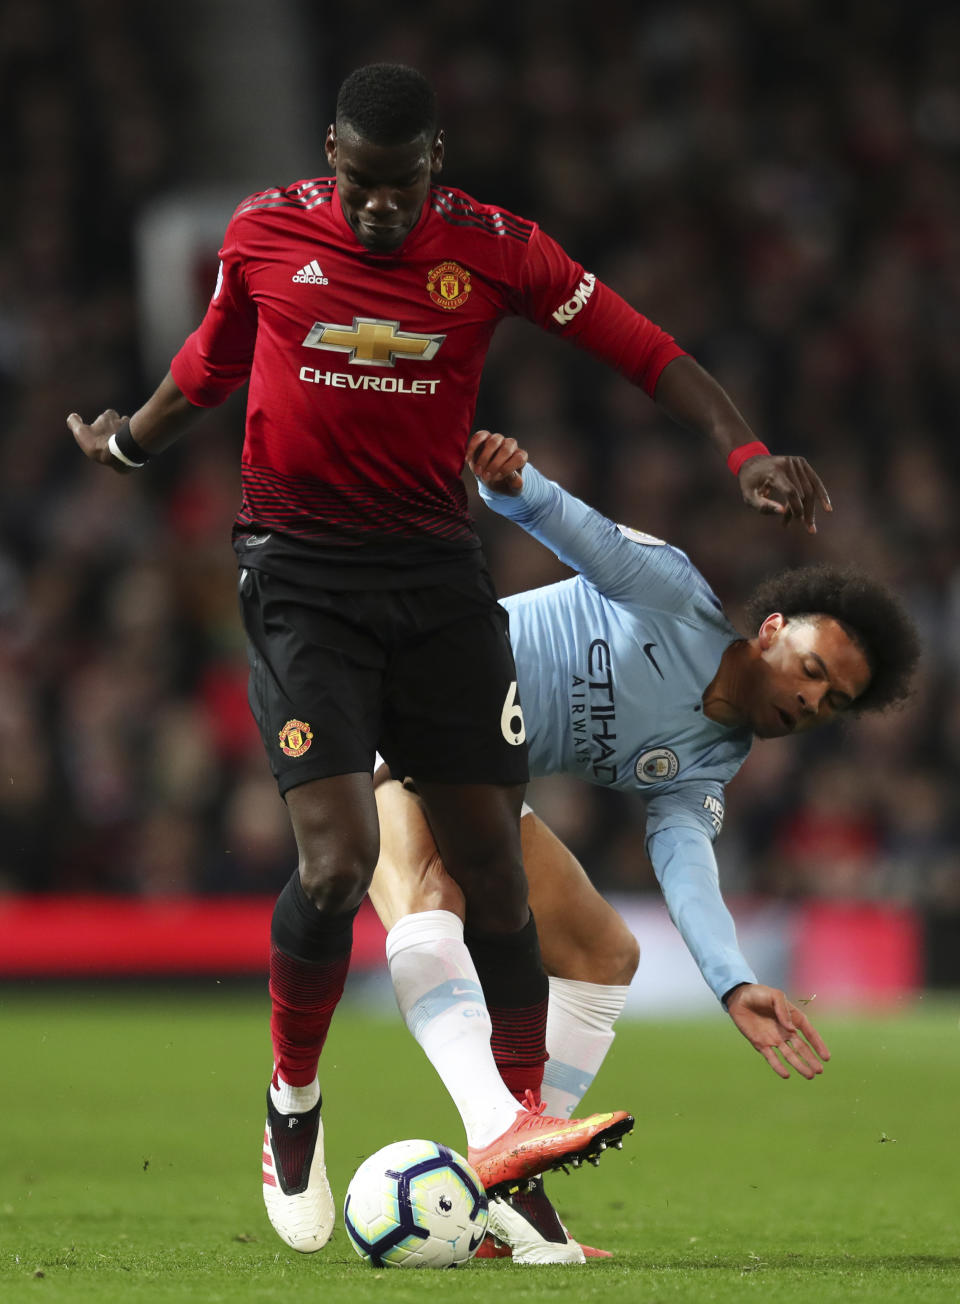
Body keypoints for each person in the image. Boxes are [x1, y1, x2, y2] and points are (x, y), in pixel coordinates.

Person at [66, 63, 831, 1255]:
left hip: (435, 581)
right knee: (337, 864)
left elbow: (642, 348)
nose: (377, 211)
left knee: (495, 869)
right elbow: (214, 358)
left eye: (399, 187)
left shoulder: (498, 247)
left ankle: (517, 1138)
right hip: (299, 572)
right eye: (358, 187)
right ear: (332, 155)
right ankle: (292, 1103)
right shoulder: (265, 231)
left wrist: (744, 452)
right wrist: (126, 445)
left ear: (435, 162)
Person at [369, 427, 920, 1264]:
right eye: (812, 670)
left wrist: (734, 982)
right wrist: (513, 484)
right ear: (771, 630)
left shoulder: (711, 759)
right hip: (399, 710)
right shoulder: (670, 593)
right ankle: (500, 1152)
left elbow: (686, 859)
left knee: (604, 952)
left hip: (480, 784)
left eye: (834, 701)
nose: (812, 701)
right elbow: (574, 527)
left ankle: (510, 1182)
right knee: (431, 898)